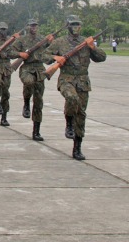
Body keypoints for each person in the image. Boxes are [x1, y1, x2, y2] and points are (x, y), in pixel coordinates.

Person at [45, 15, 106, 160]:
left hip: (83, 82)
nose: (76, 27)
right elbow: (44, 54)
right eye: (73, 25)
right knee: (71, 98)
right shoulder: (60, 42)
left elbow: (102, 57)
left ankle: (77, 147)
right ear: (67, 27)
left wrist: (93, 47)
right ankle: (69, 123)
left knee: (81, 114)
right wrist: (56, 58)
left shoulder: (87, 42)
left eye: (78, 24)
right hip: (66, 79)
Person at [10, 19, 51, 141]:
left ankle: (36, 131)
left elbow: (52, 50)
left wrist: (50, 42)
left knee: (38, 101)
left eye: (35, 25)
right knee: (28, 82)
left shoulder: (42, 39)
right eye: (31, 25)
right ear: (27, 27)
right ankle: (26, 102)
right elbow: (10, 52)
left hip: (39, 69)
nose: (33, 27)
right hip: (27, 67)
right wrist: (21, 54)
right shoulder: (21, 40)